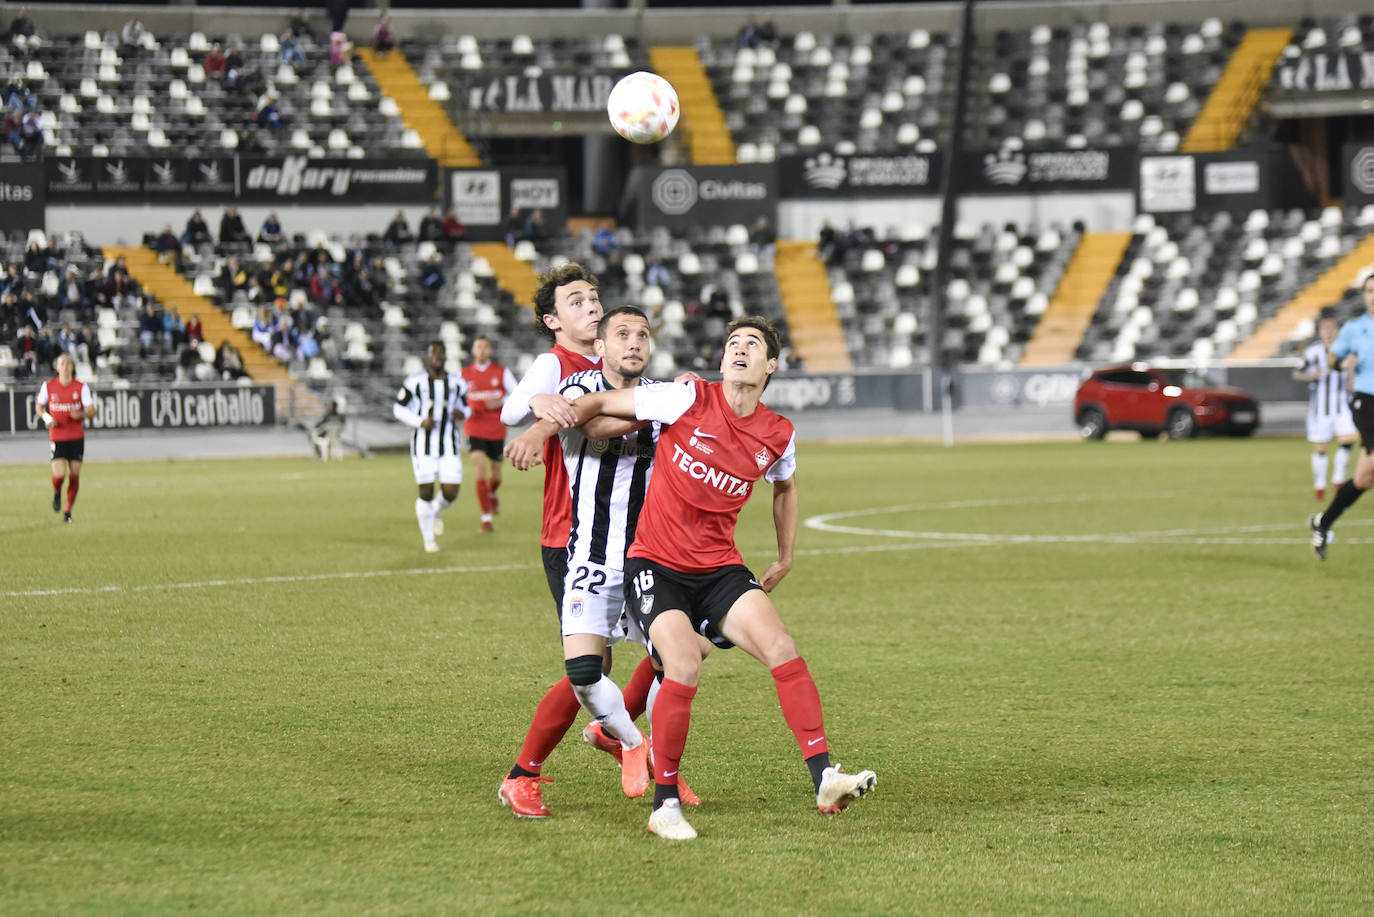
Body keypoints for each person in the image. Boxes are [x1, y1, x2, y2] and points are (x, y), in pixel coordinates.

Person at [535, 316, 877, 840]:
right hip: (655, 563)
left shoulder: (778, 433)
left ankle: (824, 777)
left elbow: (785, 487)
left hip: (719, 568)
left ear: (771, 366)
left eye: (752, 345)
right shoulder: (686, 398)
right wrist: (552, 419)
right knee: (683, 663)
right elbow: (598, 405)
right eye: (732, 343)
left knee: (782, 647)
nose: (739, 350)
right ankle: (665, 804)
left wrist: (785, 556)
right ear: (722, 359)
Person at [498, 307, 687, 818]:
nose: (634, 343)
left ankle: (663, 771)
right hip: (589, 553)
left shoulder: (660, 392)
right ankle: (629, 742)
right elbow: (591, 418)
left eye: (643, 335)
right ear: (600, 347)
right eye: (621, 334)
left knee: (677, 660)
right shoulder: (578, 388)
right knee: (586, 671)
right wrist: (667, 406)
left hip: (649, 558)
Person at [1311, 274, 1374, 559]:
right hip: (1366, 401)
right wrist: (1342, 363)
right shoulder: (1354, 329)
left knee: (1364, 477)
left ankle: (1322, 523)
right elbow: (1334, 360)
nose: (1373, 296)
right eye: (1370, 291)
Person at [393, 340, 469, 553]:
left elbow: (467, 407)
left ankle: (436, 510)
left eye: (441, 354)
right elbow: (398, 409)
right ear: (428, 357)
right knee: (425, 491)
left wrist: (463, 414)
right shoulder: (414, 382)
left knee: (451, 492)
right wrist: (419, 421)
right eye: (434, 353)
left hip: (449, 445)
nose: (438, 357)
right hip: (422, 446)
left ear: (445, 357)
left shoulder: (457, 383)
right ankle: (429, 539)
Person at [1294, 314, 1356, 501]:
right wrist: (1312, 375)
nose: (1328, 333)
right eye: (1325, 329)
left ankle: (1338, 479)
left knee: (1347, 439)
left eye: (1332, 329)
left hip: (1342, 404)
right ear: (1320, 332)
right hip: (1320, 408)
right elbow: (1298, 373)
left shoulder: (1346, 351)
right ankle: (1319, 485)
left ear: (1338, 331)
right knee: (1321, 447)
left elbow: (1353, 372)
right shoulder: (1313, 352)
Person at [460, 335, 517, 532]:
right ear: (473, 351)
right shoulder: (464, 375)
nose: (482, 350)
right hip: (474, 427)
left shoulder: (501, 372)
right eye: (478, 347)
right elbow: (458, 399)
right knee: (479, 467)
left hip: (496, 428)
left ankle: (491, 494)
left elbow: (517, 393)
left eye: (485, 347)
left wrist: (501, 402)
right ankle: (486, 518)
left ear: (490, 351)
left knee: (496, 475)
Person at [35, 352, 98, 524]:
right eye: (62, 363)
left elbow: (92, 410)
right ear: (57, 367)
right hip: (58, 436)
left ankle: (67, 510)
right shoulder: (48, 386)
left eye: (68, 363)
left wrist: (82, 414)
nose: (65, 366)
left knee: (74, 475)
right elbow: (39, 407)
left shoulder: (81, 387)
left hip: (76, 436)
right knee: (60, 475)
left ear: (73, 367)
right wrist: (48, 418)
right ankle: (57, 492)